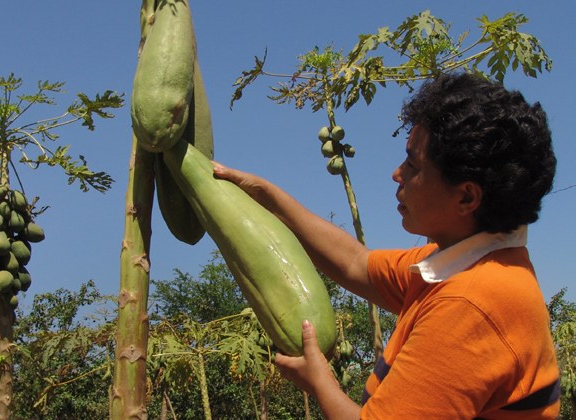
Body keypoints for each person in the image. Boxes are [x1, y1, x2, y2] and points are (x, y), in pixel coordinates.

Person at [213, 73, 560, 419]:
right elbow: (355, 263)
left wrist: (320, 383)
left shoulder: (471, 303)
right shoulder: (460, 266)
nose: (397, 174)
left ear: (466, 197)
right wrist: (267, 196)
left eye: (413, 165)